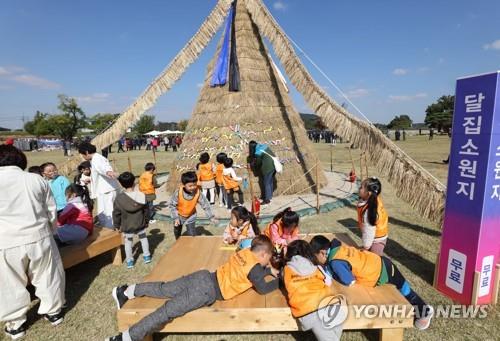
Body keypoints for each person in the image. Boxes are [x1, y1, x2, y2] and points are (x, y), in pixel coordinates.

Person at [106, 235, 279, 341]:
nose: (267, 263)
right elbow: (263, 288)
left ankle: (126, 290)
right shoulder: (256, 269)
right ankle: (126, 338)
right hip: (206, 291)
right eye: (268, 259)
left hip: (204, 276)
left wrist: (266, 269)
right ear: (263, 254)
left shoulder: (245, 251)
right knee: (167, 312)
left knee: (164, 289)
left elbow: (251, 268)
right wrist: (280, 280)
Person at [0, 145, 65, 339]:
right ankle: (54, 312)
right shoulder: (36, 179)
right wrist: (51, 230)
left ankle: (15, 323)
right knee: (48, 275)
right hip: (39, 235)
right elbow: (51, 210)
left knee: (9, 283)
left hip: (5, 241)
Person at [310, 235, 434, 330]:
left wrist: (331, 273)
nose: (317, 261)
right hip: (381, 262)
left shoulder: (335, 262)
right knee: (404, 288)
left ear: (322, 252)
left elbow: (349, 282)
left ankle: (424, 312)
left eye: (316, 258)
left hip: (380, 273)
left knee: (404, 290)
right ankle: (423, 308)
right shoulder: (337, 247)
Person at [283, 240, 343, 341]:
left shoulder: (286, 270)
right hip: (328, 303)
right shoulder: (316, 267)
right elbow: (328, 281)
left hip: (309, 311)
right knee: (335, 331)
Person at [114, 172, 151, 269]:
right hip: (140, 223)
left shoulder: (119, 199)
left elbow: (116, 213)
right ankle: (147, 256)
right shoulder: (142, 195)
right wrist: (146, 221)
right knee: (143, 238)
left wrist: (117, 225)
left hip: (127, 225)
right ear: (134, 182)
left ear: (121, 184)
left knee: (128, 242)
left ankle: (130, 261)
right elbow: (147, 210)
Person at [78, 142, 121, 227]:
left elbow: (103, 168)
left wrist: (109, 172)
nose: (83, 157)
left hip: (107, 191)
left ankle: (110, 232)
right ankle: (108, 228)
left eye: (82, 155)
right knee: (104, 213)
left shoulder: (96, 159)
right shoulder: (96, 158)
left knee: (108, 213)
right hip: (106, 189)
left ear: (86, 152)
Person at [168, 171, 216, 239]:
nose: (193, 187)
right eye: (190, 186)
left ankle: (191, 245)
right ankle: (178, 241)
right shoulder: (178, 193)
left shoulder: (198, 193)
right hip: (179, 216)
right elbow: (172, 205)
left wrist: (211, 217)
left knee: (191, 234)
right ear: (184, 185)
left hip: (191, 215)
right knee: (177, 230)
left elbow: (205, 204)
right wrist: (175, 218)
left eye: (195, 185)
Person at [357, 177, 388, 255]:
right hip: (374, 236)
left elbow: (369, 232)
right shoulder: (373, 199)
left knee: (373, 261)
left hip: (377, 240)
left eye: (361, 187)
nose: (359, 188)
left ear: (368, 193)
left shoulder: (369, 211)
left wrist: (365, 248)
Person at [248, 140, 276, 206]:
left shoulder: (258, 152)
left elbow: (258, 163)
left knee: (266, 183)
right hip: (273, 166)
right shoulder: (264, 146)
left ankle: (267, 200)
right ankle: (270, 196)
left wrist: (253, 165)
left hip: (267, 168)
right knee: (270, 181)